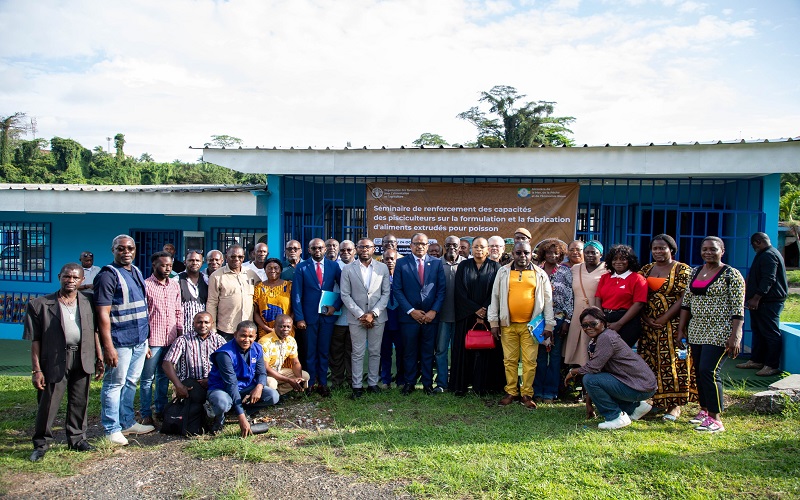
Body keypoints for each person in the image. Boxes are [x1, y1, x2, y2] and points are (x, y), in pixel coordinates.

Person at [26, 263, 103, 462]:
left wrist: (99, 357)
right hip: (54, 359)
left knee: (80, 401)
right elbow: (35, 340)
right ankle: (41, 444)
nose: (70, 281)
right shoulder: (40, 304)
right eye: (66, 277)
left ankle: (77, 439)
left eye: (75, 278)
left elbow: (94, 331)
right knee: (48, 403)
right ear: (59, 276)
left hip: (82, 357)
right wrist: (36, 370)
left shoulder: (88, 301)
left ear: (82, 280)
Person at [678, 236, 745, 433]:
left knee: (709, 371)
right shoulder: (695, 272)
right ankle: (704, 411)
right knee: (699, 371)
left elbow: (738, 308)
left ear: (722, 251)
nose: (708, 252)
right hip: (697, 329)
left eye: (713, 249)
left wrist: (736, 335)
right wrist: (681, 328)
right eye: (705, 249)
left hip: (720, 330)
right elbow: (686, 303)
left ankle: (716, 419)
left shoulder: (731, 275)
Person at [94, 234, 154, 445]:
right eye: (121, 248)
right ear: (113, 250)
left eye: (130, 248)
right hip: (119, 341)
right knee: (114, 383)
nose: (126, 252)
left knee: (130, 382)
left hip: (138, 339)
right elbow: (102, 314)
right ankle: (111, 428)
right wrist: (108, 346)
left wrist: (145, 340)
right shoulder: (107, 276)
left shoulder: (135, 271)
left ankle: (127, 422)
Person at [565, 307, 657, 430]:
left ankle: (615, 417)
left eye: (593, 324)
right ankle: (635, 408)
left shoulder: (606, 337)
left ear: (603, 323)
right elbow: (596, 370)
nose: (589, 328)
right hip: (638, 384)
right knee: (594, 379)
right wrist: (588, 403)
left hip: (640, 386)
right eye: (585, 325)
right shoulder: (600, 338)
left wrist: (573, 372)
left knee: (590, 379)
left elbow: (592, 369)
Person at [488, 241, 554, 409]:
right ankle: (511, 392)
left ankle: (526, 394)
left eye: (526, 253)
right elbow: (494, 298)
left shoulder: (539, 274)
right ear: (512, 254)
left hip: (531, 326)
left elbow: (548, 301)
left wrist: (549, 326)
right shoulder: (503, 272)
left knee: (529, 362)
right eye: (518, 253)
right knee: (509, 360)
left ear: (531, 254)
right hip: (507, 325)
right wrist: (494, 322)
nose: (522, 256)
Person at [638, 234, 696, 421]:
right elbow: (638, 296)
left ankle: (674, 405)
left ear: (671, 249)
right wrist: (646, 318)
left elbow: (684, 298)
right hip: (648, 326)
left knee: (672, 362)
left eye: (662, 248)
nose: (658, 251)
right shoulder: (646, 269)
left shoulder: (682, 270)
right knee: (650, 362)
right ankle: (654, 401)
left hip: (672, 325)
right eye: (655, 248)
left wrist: (664, 318)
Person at [392, 232, 447, 395]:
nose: (420, 246)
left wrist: (433, 311)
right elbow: (397, 290)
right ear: (410, 246)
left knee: (428, 351)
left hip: (430, 318)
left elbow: (441, 290)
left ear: (428, 246)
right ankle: (409, 382)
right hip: (409, 318)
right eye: (416, 243)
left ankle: (427, 383)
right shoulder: (402, 263)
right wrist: (411, 311)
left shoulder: (437, 264)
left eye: (423, 243)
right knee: (409, 351)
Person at [205, 321, 279, 437]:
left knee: (273, 395)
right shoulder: (225, 354)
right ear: (235, 335)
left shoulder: (257, 348)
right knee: (222, 403)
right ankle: (220, 417)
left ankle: (240, 411)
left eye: (250, 336)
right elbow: (231, 384)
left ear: (255, 336)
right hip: (223, 389)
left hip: (245, 387)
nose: (246, 339)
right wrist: (242, 418)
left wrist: (259, 387)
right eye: (243, 336)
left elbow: (262, 373)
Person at [450, 237, 504, 396]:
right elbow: (459, 291)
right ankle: (461, 386)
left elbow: (496, 292)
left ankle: (485, 386)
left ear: (488, 249)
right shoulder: (463, 266)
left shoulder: (496, 267)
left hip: (489, 315)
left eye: (482, 247)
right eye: (475, 247)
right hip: (466, 316)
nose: (478, 249)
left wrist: (484, 311)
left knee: (487, 352)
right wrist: (475, 310)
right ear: (471, 249)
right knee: (464, 351)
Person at [341, 238, 391, 397]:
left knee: (375, 351)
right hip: (357, 318)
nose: (364, 249)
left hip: (378, 317)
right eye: (361, 247)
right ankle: (357, 386)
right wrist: (361, 315)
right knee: (357, 352)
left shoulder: (382, 268)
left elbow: (386, 293)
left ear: (373, 249)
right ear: (356, 249)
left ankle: (372, 383)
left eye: (368, 247)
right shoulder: (348, 269)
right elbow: (345, 295)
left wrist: (373, 313)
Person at [291, 238, 342, 397]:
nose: (317, 250)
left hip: (327, 316)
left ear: (325, 249)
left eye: (320, 248)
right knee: (310, 352)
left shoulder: (334, 266)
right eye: (314, 248)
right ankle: (311, 383)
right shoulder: (302, 267)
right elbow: (297, 294)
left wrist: (336, 306)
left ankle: (323, 384)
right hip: (309, 317)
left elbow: (344, 289)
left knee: (324, 351)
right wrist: (299, 318)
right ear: (309, 250)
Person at [139, 251, 183, 427]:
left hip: (171, 339)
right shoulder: (146, 285)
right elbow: (142, 316)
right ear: (154, 265)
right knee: (147, 379)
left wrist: (179, 335)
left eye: (170, 266)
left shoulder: (174, 285)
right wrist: (144, 341)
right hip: (153, 340)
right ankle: (145, 413)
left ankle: (161, 409)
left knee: (164, 377)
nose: (167, 268)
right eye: (163, 265)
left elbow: (178, 311)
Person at [739, 232, 788, 377]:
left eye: (754, 245)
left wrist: (756, 298)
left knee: (770, 332)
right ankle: (757, 360)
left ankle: (772, 365)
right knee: (758, 331)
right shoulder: (765, 254)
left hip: (768, 302)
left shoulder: (769, 255)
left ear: (758, 242)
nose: (754, 248)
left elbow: (769, 279)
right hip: (761, 301)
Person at [533, 239, 573, 403]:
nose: (552, 255)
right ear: (543, 254)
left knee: (555, 358)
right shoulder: (536, 270)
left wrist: (567, 320)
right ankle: (537, 391)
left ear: (561, 255)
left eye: (556, 253)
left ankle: (550, 392)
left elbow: (571, 296)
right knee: (540, 357)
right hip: (539, 321)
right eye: (549, 252)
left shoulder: (565, 272)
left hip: (559, 320)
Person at [162, 311, 226, 403]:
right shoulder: (183, 340)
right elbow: (167, 363)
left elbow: (227, 364)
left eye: (206, 322)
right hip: (190, 384)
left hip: (213, 382)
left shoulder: (219, 340)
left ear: (212, 324)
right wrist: (179, 386)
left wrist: (213, 379)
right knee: (194, 407)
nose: (203, 325)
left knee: (221, 402)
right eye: (199, 322)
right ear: (193, 324)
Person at [564, 241, 607, 367]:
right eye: (587, 252)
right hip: (576, 312)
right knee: (575, 345)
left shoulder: (607, 269)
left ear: (601, 254)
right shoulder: (575, 269)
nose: (590, 255)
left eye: (594, 252)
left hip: (595, 311)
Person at [595, 244, 647, 348]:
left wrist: (619, 323)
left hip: (627, 321)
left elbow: (638, 304)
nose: (618, 262)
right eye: (615, 259)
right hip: (605, 319)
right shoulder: (605, 277)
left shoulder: (638, 278)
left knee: (620, 355)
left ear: (630, 261)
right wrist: (602, 319)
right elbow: (598, 298)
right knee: (605, 353)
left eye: (623, 259)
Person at [432, 235, 465, 393]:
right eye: (448, 245)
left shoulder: (466, 264)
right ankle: (442, 383)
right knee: (441, 351)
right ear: (443, 247)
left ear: (460, 247)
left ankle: (458, 383)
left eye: (455, 245)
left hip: (461, 317)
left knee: (459, 351)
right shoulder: (437, 264)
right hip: (442, 316)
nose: (451, 247)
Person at [206, 244, 259, 340]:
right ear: (226, 257)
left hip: (248, 328)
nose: (236, 259)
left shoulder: (251, 274)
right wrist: (212, 329)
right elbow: (211, 303)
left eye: (240, 257)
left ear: (243, 258)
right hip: (227, 329)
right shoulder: (216, 276)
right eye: (233, 256)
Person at [260, 315, 310, 397]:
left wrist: (299, 379)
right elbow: (266, 369)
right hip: (265, 374)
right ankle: (270, 396)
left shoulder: (291, 340)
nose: (286, 329)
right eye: (282, 326)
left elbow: (295, 362)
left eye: (288, 327)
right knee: (271, 383)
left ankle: (278, 394)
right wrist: (289, 380)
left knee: (305, 376)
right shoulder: (265, 342)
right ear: (274, 326)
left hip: (279, 370)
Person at [329, 240, 355, 389]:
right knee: (336, 351)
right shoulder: (333, 266)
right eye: (343, 250)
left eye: (349, 250)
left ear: (355, 251)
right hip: (337, 317)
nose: (346, 252)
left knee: (352, 351)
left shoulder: (361, 267)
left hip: (355, 317)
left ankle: (353, 381)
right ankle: (337, 381)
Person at [379, 249, 404, 389]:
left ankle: (401, 381)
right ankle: (385, 380)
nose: (389, 261)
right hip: (384, 321)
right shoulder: (378, 277)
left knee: (401, 353)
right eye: (386, 259)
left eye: (392, 259)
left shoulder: (403, 277)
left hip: (400, 321)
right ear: (382, 260)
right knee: (385, 352)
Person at [253, 258, 293, 339]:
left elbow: (295, 309)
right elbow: (255, 312)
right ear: (265, 270)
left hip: (286, 331)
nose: (273, 270)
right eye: (269, 268)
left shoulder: (289, 286)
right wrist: (266, 328)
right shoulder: (259, 287)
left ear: (281, 270)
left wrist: (288, 325)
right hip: (265, 332)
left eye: (276, 268)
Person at [178, 250, 208, 334]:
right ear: (185, 262)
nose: (194, 263)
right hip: (183, 331)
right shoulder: (176, 280)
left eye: (197, 260)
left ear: (202, 262)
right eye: (191, 260)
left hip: (203, 330)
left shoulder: (207, 280)